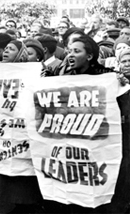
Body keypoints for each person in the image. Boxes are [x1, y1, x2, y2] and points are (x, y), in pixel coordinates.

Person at [43, 34, 130, 214]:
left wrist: (122, 87)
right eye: (68, 51)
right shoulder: (61, 77)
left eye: (76, 51)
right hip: (73, 145)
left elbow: (123, 110)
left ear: (89, 56)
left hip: (99, 145)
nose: (70, 55)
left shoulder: (107, 77)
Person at [0, 40, 44, 214]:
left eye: (11, 49)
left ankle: (29, 205)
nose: (7, 51)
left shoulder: (33, 71)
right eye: (6, 48)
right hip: (6, 125)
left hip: (24, 126)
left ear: (21, 53)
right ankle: (18, 204)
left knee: (24, 168)